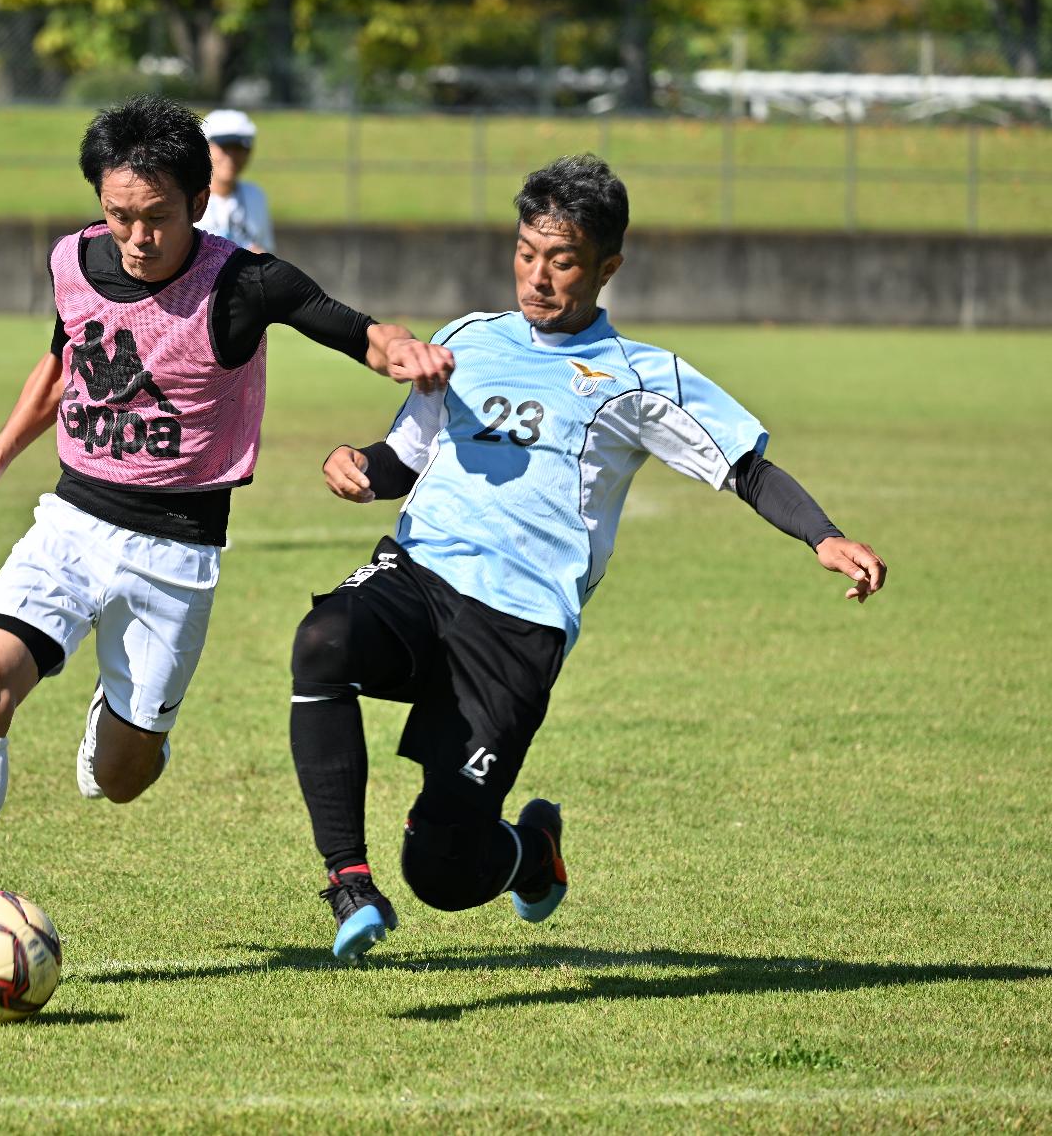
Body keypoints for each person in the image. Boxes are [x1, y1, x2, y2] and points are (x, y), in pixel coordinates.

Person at [289, 153, 888, 961]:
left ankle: (532, 853)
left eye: (562, 260)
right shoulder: (466, 339)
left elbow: (743, 465)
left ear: (607, 266)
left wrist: (825, 534)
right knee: (323, 639)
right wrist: (356, 466)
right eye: (527, 253)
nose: (538, 277)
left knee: (442, 867)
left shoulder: (637, 376)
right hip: (421, 574)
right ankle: (348, 882)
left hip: (518, 626)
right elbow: (404, 457)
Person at [0, 94, 453, 926]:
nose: (136, 237)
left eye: (156, 217)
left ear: (199, 203)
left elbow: (360, 330)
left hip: (176, 552)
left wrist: (402, 352)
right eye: (118, 215)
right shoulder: (72, 261)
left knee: (124, 779)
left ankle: (120, 723)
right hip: (70, 522)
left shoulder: (246, 281)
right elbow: (64, 359)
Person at [196, 109, 274, 254]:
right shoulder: (186, 198)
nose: (231, 157)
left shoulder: (255, 196)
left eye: (239, 148)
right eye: (224, 148)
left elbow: (265, 249)